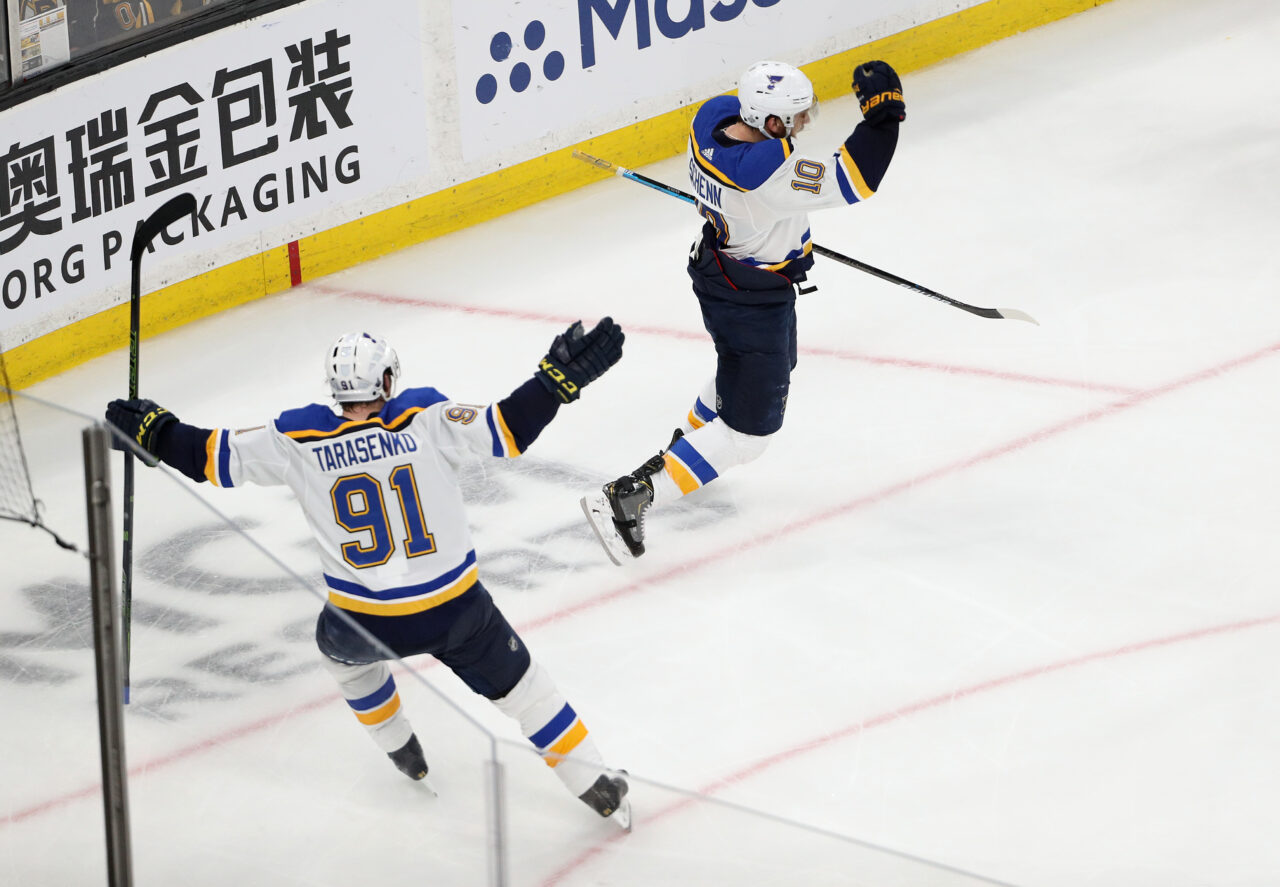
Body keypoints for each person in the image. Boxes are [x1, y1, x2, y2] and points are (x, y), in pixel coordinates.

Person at [105, 321, 633, 825]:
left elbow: (208, 457)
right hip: (456, 612)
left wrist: (156, 432)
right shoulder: (424, 415)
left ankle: (402, 750)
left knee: (342, 656)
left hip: (363, 623)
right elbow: (509, 428)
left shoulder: (295, 435)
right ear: (386, 380)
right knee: (528, 694)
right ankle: (596, 786)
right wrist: (555, 382)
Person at [581, 59, 905, 564]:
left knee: (743, 366)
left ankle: (688, 447)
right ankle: (630, 497)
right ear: (770, 123)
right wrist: (883, 117)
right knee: (751, 436)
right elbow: (855, 180)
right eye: (797, 118)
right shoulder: (769, 175)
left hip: (720, 268)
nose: (803, 125)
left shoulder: (711, 119)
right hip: (751, 295)